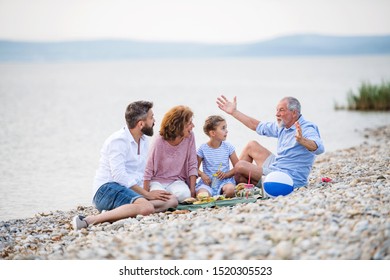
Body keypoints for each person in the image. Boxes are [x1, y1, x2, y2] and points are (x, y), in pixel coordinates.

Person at [72, 101, 177, 230]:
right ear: (141, 124)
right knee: (147, 207)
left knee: (172, 200)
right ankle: (89, 220)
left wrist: (149, 190)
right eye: (151, 117)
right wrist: (146, 194)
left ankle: (121, 211)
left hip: (129, 190)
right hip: (106, 189)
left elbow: (141, 172)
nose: (154, 121)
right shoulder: (118, 140)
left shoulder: (143, 140)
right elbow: (119, 176)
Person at [216, 95, 324, 189]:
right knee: (251, 145)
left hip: (288, 179)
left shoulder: (306, 128)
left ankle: (232, 184)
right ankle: (234, 183)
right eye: (277, 110)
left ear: (294, 113)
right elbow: (255, 125)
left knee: (240, 166)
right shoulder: (283, 126)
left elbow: (319, 148)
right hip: (277, 167)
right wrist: (234, 112)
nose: (277, 114)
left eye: (281, 110)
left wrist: (302, 140)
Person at [144, 105, 198, 203]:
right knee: (160, 197)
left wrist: (192, 191)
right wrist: (145, 193)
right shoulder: (159, 140)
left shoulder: (190, 137)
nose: (193, 126)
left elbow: (192, 163)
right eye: (189, 123)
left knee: (185, 195)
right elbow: (148, 168)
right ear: (179, 125)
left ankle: (170, 199)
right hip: (157, 181)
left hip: (177, 181)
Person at [196, 115, 239, 198]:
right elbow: (194, 168)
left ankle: (220, 196)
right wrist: (202, 175)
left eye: (226, 128)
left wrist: (226, 174)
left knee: (230, 190)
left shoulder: (228, 147)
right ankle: (214, 196)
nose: (226, 131)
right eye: (223, 128)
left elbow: (237, 166)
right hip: (208, 184)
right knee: (202, 195)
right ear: (213, 133)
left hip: (225, 182)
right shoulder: (202, 149)